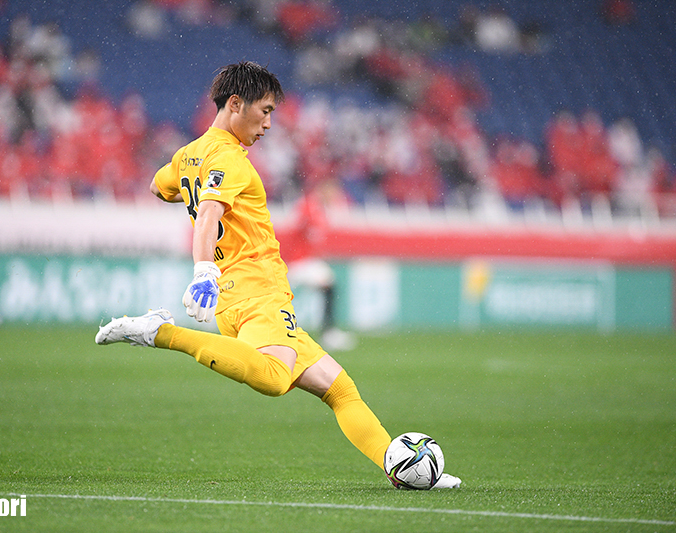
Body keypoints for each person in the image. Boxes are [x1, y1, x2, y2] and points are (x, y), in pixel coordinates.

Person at [95, 61, 460, 488]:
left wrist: (201, 199)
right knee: (273, 378)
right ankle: (161, 333)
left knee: (339, 389)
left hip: (240, 295)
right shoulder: (229, 159)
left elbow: (159, 188)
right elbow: (208, 212)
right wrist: (203, 268)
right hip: (257, 289)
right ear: (236, 104)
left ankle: (399, 468)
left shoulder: (189, 154)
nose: (269, 123)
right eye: (265, 111)